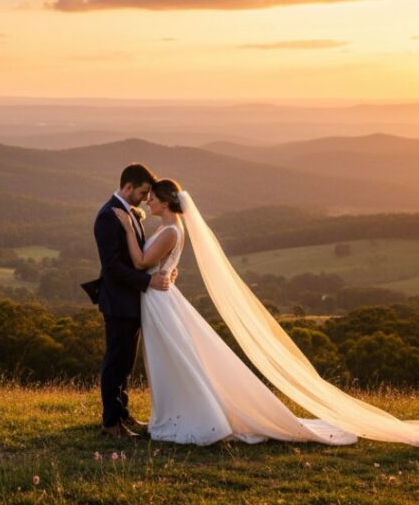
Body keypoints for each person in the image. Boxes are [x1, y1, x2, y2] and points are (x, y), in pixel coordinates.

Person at [114, 177, 419, 447]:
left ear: (166, 201)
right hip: (157, 297)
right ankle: (175, 413)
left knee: (175, 359)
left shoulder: (170, 230)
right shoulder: (169, 227)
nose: (148, 201)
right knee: (171, 359)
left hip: (159, 301)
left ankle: (194, 416)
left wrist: (127, 227)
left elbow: (141, 262)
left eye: (152, 197)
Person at [92, 163, 173, 438]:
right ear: (128, 187)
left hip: (132, 301)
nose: (145, 199)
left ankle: (122, 413)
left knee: (126, 362)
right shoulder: (107, 217)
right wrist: (147, 281)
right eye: (142, 192)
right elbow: (112, 266)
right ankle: (110, 423)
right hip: (118, 302)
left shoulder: (130, 213)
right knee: (116, 361)